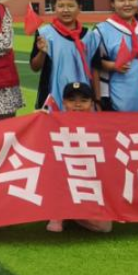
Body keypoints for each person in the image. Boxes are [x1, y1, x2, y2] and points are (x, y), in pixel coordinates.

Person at [47, 82, 111, 234]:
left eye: (83, 100)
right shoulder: (52, 122)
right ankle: (58, 213)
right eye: (72, 100)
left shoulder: (102, 125)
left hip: (90, 183)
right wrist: (39, 119)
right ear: (63, 102)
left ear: (92, 103)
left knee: (104, 227)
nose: (77, 105)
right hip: (63, 182)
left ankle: (72, 213)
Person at [31, 0, 99, 111]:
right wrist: (42, 52)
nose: (65, 10)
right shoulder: (44, 34)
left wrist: (98, 100)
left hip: (84, 98)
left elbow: (95, 69)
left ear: (79, 8)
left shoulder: (90, 36)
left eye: (71, 6)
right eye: (61, 6)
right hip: (53, 98)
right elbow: (35, 67)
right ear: (54, 8)